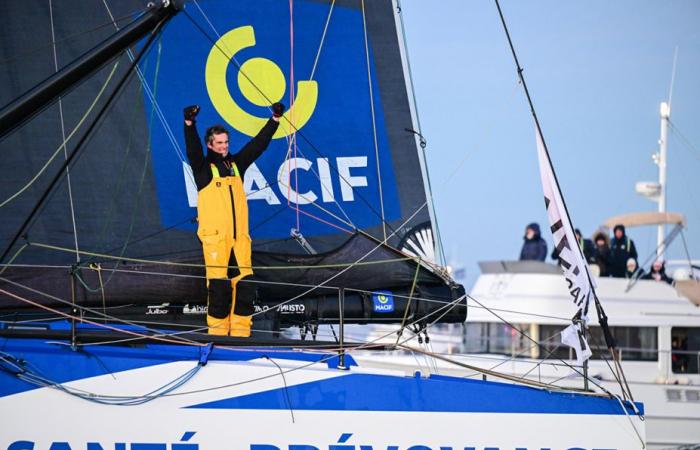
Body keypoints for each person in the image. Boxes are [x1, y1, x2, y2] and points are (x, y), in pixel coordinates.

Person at [184, 102, 285, 336]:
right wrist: (189, 124)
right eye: (219, 143)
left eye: (226, 142)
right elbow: (192, 150)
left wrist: (275, 120)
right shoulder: (203, 167)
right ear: (210, 144)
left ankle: (241, 333)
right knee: (218, 288)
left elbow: (258, 145)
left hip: (240, 238)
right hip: (216, 239)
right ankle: (218, 335)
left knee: (245, 286)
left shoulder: (236, 164)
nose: (223, 147)